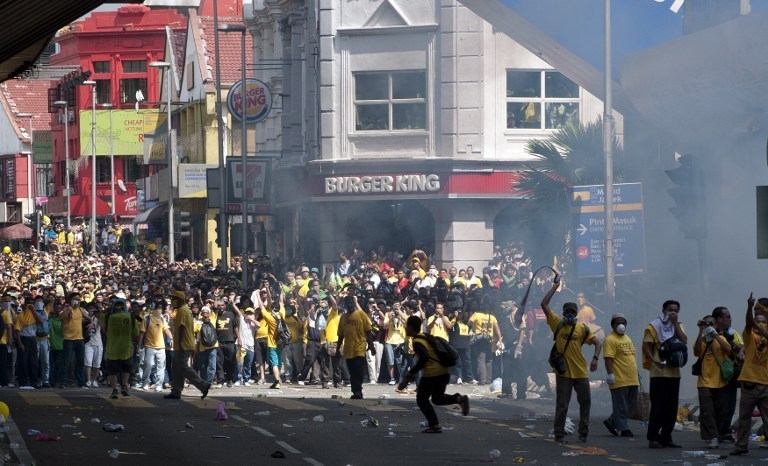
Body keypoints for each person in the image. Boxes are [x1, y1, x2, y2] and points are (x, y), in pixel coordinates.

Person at [541, 275, 601, 443]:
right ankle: (558, 434)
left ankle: (583, 432)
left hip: (581, 371)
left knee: (586, 402)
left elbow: (598, 343)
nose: (569, 315)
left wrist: (595, 358)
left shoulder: (582, 328)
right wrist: (555, 287)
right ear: (563, 313)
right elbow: (544, 304)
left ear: (576, 314)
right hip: (564, 373)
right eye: (567, 312)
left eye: (572, 312)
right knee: (562, 405)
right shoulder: (557, 324)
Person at [399, 315, 469, 433]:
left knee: (421, 400)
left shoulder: (417, 341)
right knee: (437, 399)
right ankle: (459, 398)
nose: (405, 328)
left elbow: (424, 358)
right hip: (444, 371)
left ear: (411, 327)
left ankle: (435, 426)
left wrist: (409, 375)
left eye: (406, 326)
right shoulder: (425, 336)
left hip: (433, 373)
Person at [642, 299, 687, 449]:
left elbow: (684, 340)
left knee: (671, 408)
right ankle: (653, 437)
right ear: (663, 311)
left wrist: (675, 324)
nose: (672, 313)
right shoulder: (654, 326)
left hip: (674, 373)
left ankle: (666, 437)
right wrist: (654, 361)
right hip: (659, 373)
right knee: (658, 407)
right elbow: (646, 346)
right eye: (670, 310)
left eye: (675, 310)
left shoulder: (678, 326)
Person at [730, 294, 768, 456]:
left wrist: (759, 325)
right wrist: (748, 308)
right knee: (744, 418)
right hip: (749, 382)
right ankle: (741, 446)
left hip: (766, 384)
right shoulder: (749, 335)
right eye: (756, 319)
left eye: (762, 319)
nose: (758, 323)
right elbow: (748, 322)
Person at [694, 314, 731, 449]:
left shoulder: (720, 338)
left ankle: (716, 434)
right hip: (704, 381)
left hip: (720, 381)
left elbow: (728, 350)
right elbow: (697, 351)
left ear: (715, 325)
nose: (708, 327)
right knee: (707, 411)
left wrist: (715, 335)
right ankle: (712, 437)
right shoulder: (702, 340)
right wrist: (700, 331)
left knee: (722, 410)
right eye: (706, 324)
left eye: (711, 324)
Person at [165, 291, 210, 399]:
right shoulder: (185, 310)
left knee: (183, 367)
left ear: (179, 300)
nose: (172, 301)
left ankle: (203, 385)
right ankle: (176, 391)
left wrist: (180, 343)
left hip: (183, 344)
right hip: (185, 344)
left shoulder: (181, 311)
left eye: (173, 299)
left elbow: (181, 328)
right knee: (176, 368)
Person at [602, 313, 639, 438]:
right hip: (619, 378)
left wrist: (637, 374)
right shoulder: (610, 340)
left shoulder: (627, 338)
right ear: (612, 325)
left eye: (623, 322)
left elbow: (631, 357)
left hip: (632, 378)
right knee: (621, 405)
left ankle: (611, 422)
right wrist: (610, 374)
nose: (621, 325)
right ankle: (624, 429)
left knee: (630, 405)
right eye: (618, 323)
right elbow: (608, 358)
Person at [712, 306, 742, 443]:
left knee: (730, 405)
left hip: (730, 374)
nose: (730, 319)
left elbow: (741, 350)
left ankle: (725, 431)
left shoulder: (733, 333)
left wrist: (732, 343)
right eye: (727, 316)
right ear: (719, 319)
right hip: (715, 375)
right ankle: (715, 432)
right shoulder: (710, 333)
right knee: (718, 405)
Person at [337, 293, 373, 399]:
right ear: (345, 304)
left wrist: (371, 346)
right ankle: (355, 391)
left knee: (358, 370)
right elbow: (340, 335)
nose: (349, 304)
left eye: (351, 302)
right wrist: (338, 347)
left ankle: (358, 391)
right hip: (348, 349)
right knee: (352, 372)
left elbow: (368, 331)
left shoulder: (361, 314)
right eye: (347, 302)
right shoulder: (343, 317)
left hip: (360, 347)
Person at [104, 299, 138, 398]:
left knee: (112, 371)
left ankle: (115, 390)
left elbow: (104, 329)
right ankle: (124, 386)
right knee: (126, 369)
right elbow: (136, 333)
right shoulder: (130, 317)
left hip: (112, 348)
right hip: (126, 348)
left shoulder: (108, 317)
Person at [138, 303, 171, 392]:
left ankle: (159, 385)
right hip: (149, 347)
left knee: (161, 367)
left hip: (161, 347)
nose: (160, 311)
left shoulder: (162, 319)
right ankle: (145, 383)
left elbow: (166, 329)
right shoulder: (146, 319)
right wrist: (139, 346)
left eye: (161, 309)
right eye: (158, 309)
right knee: (148, 365)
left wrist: (172, 338)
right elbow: (141, 334)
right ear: (154, 310)